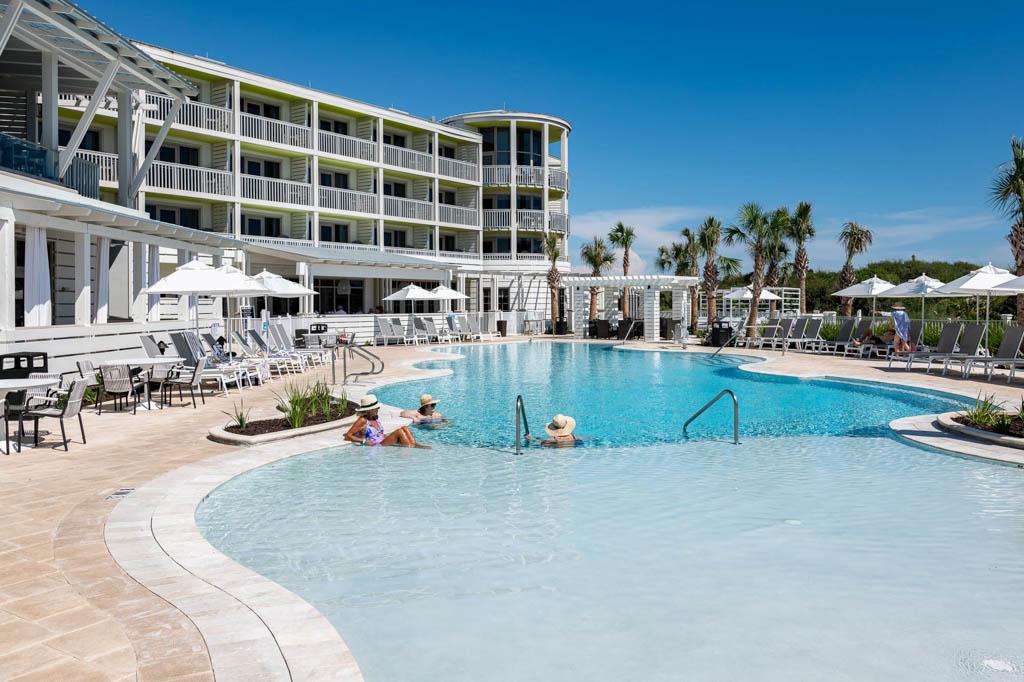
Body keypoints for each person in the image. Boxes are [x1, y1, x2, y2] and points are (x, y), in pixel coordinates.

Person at [345, 395, 428, 448]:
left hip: (383, 440)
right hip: (377, 444)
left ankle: (414, 445)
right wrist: (364, 441)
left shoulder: (374, 417)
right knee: (399, 432)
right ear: (369, 410)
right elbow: (348, 436)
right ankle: (413, 449)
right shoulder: (362, 420)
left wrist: (386, 436)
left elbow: (379, 433)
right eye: (376, 408)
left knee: (404, 428)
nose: (378, 408)